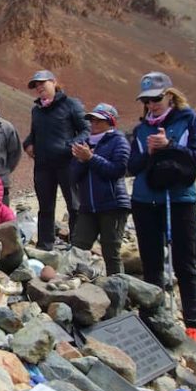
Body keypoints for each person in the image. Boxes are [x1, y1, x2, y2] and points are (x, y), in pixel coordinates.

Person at [127, 71, 196, 340]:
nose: (151, 104)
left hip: (179, 199)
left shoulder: (189, 120)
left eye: (156, 98)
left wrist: (169, 145)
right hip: (144, 200)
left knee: (185, 261)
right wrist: (148, 153)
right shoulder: (140, 129)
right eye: (147, 100)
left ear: (169, 95)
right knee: (152, 262)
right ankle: (154, 318)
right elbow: (131, 166)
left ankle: (194, 321)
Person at [22, 70, 89, 250]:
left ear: (53, 82)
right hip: (43, 165)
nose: (39, 87)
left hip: (67, 163)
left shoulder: (71, 104)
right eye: (36, 85)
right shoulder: (36, 110)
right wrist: (27, 143)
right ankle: (45, 245)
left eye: (42, 83)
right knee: (45, 207)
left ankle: (77, 245)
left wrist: (70, 146)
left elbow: (86, 130)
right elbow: (34, 134)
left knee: (74, 205)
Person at [70, 103, 130, 276]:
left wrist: (90, 158)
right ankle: (75, 284)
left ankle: (118, 287)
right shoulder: (84, 143)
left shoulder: (119, 141)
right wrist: (81, 161)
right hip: (88, 206)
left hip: (113, 204)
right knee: (78, 246)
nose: (94, 124)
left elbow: (118, 170)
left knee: (111, 251)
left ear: (110, 122)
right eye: (92, 120)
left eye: (99, 120)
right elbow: (73, 176)